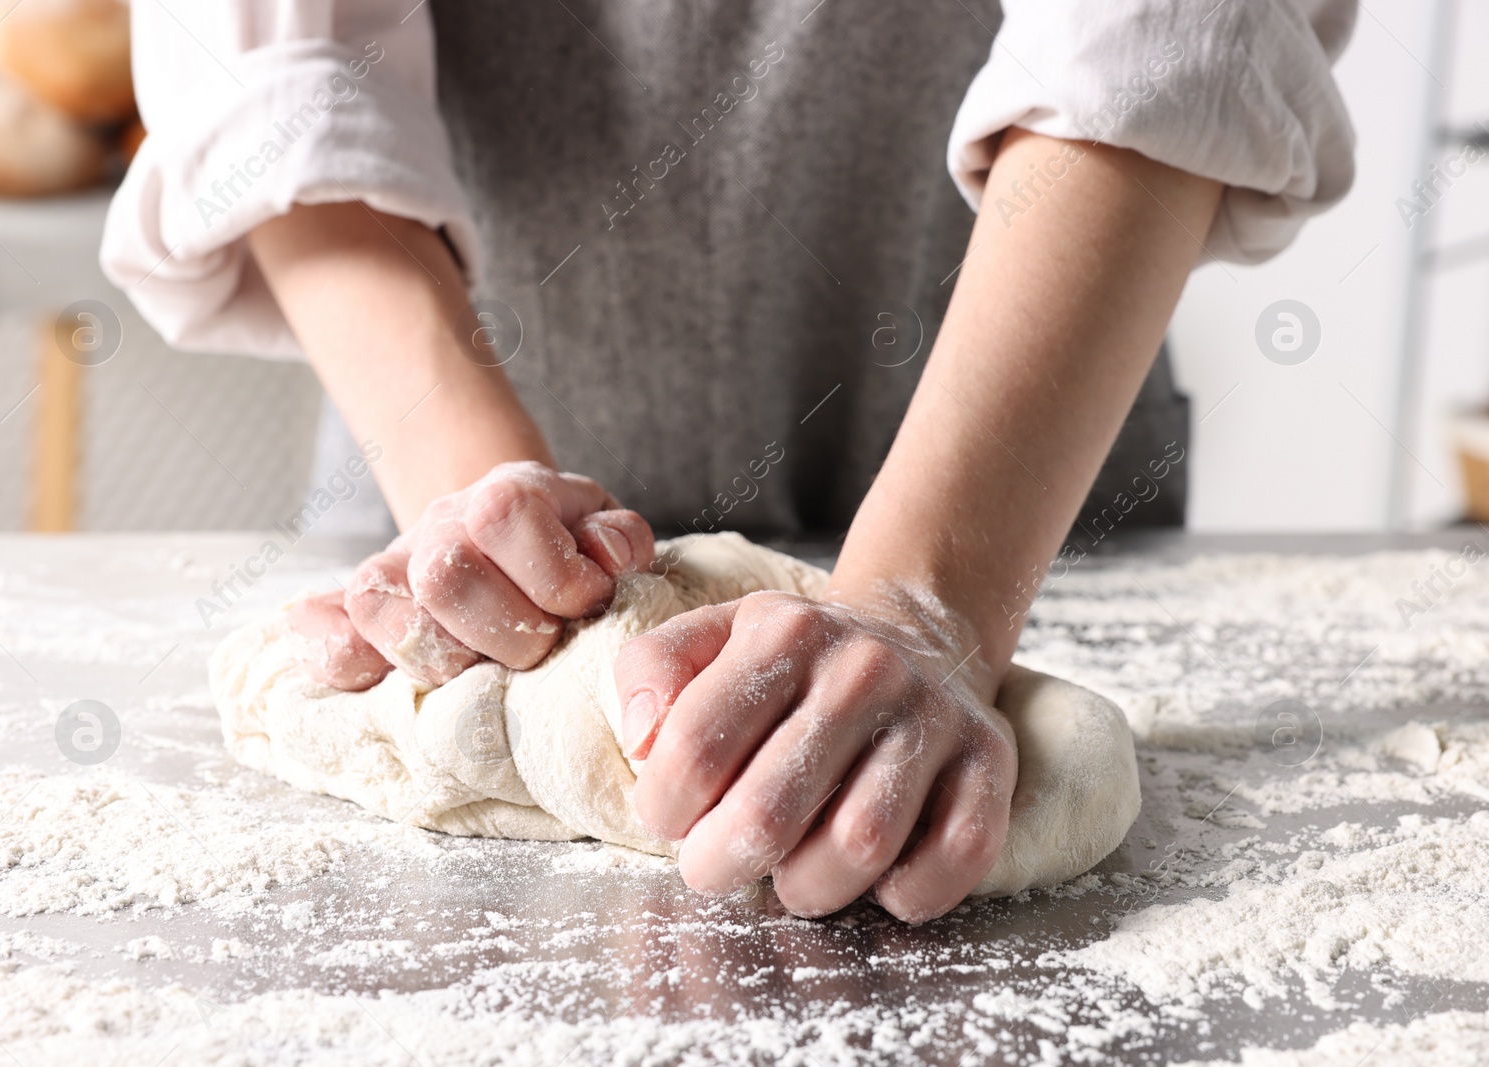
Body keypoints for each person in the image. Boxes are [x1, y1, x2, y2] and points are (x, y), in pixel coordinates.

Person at [103, 0, 1356, 922]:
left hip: (1029, 451)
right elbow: (280, 70)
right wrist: (482, 521)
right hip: (431, 412)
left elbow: (1175, 30)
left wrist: (934, 599)